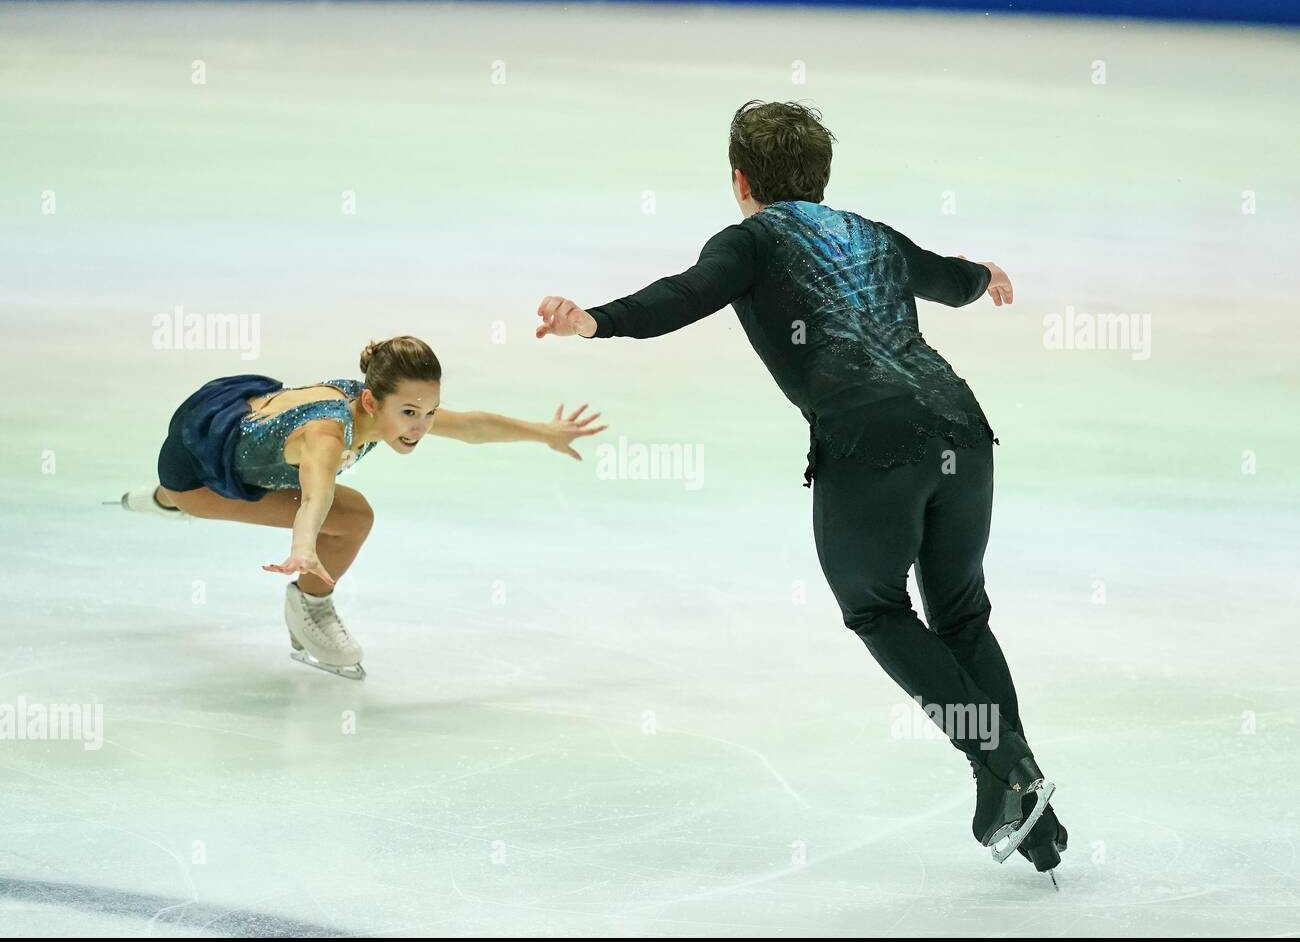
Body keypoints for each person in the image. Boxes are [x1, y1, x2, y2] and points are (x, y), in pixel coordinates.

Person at [533, 100, 1066, 878]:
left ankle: (1005, 765)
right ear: (821, 177)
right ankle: (1023, 807)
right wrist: (986, 276)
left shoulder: (750, 240)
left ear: (740, 178)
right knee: (960, 614)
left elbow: (683, 295)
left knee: (878, 607)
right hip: (960, 425)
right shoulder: (871, 233)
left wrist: (593, 321)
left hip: (870, 442)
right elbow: (950, 282)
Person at [119, 335, 606, 680]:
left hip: (235, 427)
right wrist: (304, 547)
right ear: (371, 401)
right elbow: (315, 495)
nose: (420, 426)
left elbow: (471, 427)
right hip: (201, 470)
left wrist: (545, 434)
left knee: (350, 515)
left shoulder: (389, 409)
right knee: (351, 518)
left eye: (429, 411)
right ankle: (306, 604)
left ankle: (160, 502)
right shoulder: (327, 435)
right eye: (411, 414)